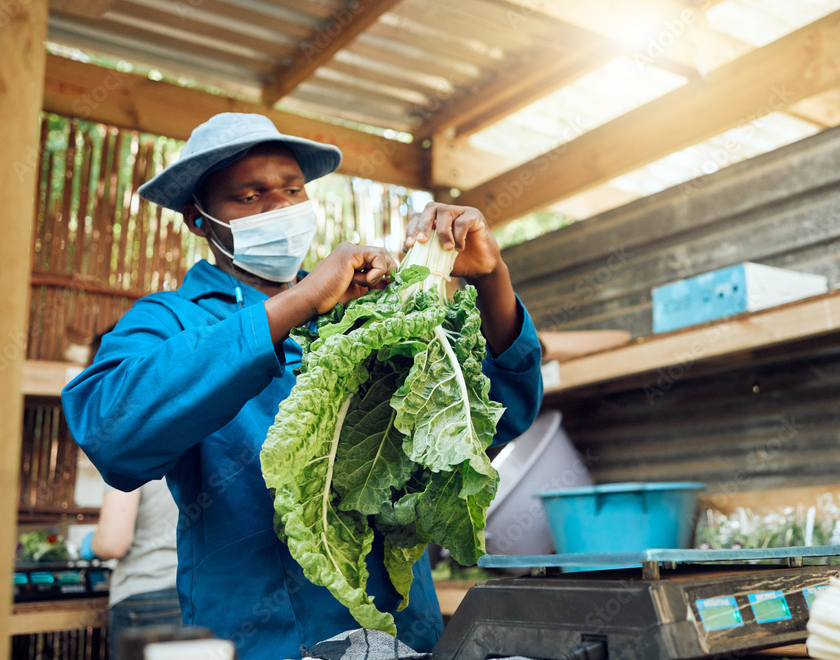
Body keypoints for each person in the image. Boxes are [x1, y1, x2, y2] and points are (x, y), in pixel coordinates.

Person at [61, 113, 543, 660]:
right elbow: (109, 428)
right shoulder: (172, 319)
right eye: (249, 197)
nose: (280, 209)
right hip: (262, 642)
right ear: (200, 221)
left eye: (292, 190)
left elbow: (495, 419)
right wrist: (298, 302)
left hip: (405, 635)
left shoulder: (367, 308)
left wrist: (490, 277)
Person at [79, 330, 182, 660]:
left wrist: (89, 545)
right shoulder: (192, 417)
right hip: (194, 596)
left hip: (145, 600)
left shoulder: (127, 433)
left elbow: (113, 542)